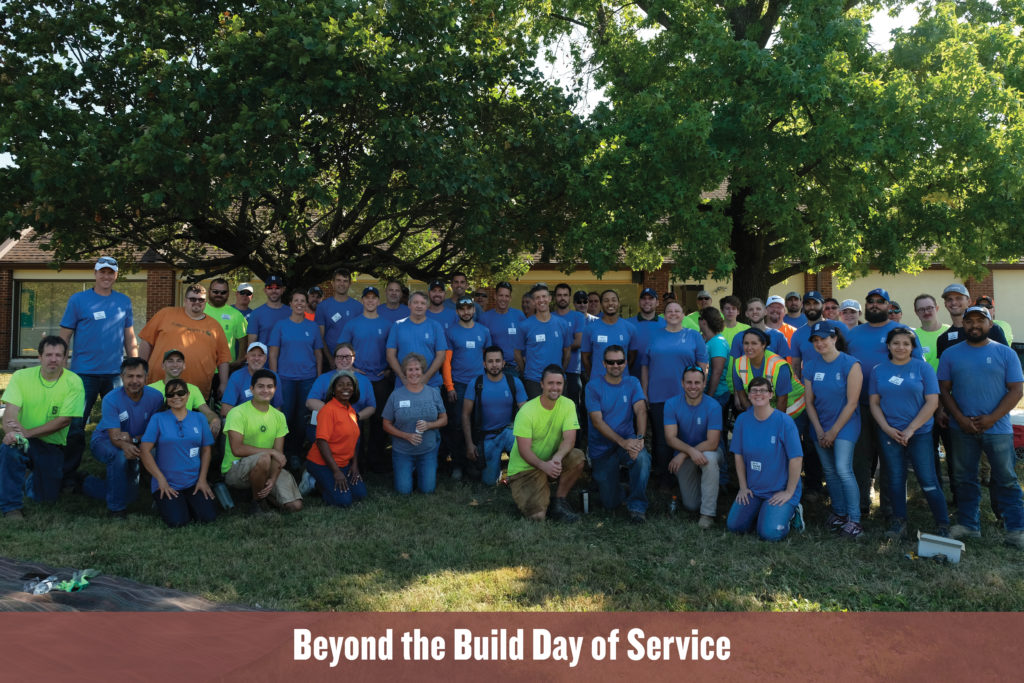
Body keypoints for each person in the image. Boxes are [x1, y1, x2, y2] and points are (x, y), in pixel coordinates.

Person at [938, 306, 1024, 547]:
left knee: (1006, 478)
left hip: (997, 429)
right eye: (969, 321)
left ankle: (1016, 529)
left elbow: (1016, 390)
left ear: (990, 323)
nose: (974, 325)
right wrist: (960, 418)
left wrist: (992, 418)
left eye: (980, 320)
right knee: (965, 478)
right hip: (961, 428)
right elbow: (944, 389)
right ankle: (968, 524)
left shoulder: (1005, 353)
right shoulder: (950, 354)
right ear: (963, 324)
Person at [59, 255, 138, 487]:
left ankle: (121, 470)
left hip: (115, 375)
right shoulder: (78, 300)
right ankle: (68, 476)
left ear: (116, 275)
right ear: (95, 274)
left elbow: (129, 337)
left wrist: (135, 367)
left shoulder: (123, 301)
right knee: (75, 426)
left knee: (121, 424)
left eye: (110, 272)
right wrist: (62, 367)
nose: (106, 276)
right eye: (102, 272)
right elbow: (65, 336)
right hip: (83, 374)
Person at [845, 288, 922, 516]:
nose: (875, 305)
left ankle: (890, 507)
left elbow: (917, 367)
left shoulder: (901, 333)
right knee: (861, 457)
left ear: (889, 306)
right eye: (871, 302)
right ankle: (861, 504)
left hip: (892, 407)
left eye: (880, 302)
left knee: (891, 459)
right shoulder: (853, 333)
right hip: (859, 404)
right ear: (865, 306)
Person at [869, 327, 949, 539]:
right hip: (890, 433)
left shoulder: (923, 369)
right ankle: (898, 522)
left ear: (913, 347)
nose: (901, 347)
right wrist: (887, 429)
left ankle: (942, 523)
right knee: (895, 479)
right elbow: (874, 403)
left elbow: (932, 402)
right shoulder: (878, 370)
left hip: (919, 433)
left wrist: (911, 429)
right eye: (896, 343)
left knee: (927, 478)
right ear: (888, 346)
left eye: (906, 343)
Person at [0, 336, 85, 518]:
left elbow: (64, 420)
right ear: (39, 357)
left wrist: (28, 432)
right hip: (23, 439)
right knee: (10, 449)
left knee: (47, 499)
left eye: (58, 355)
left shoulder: (74, 382)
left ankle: (28, 477)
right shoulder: (21, 377)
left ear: (65, 359)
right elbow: (10, 412)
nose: (53, 359)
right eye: (48, 355)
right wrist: (13, 434)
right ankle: (11, 507)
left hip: (51, 445)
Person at [802, 322, 864, 538]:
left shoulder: (851, 364)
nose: (820, 343)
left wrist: (833, 432)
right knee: (829, 472)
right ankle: (839, 513)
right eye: (815, 340)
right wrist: (819, 430)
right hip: (820, 426)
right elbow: (809, 402)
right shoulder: (810, 366)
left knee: (843, 469)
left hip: (845, 426)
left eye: (824, 338)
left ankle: (854, 519)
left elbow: (852, 403)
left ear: (834, 338)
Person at [82, 358, 164, 519]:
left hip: (136, 442)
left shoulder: (156, 398)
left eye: (139, 376)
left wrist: (133, 441)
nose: (134, 381)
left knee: (131, 495)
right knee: (119, 455)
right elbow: (115, 437)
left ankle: (85, 482)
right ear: (122, 377)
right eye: (129, 376)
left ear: (146, 377)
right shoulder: (111, 399)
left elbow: (155, 431)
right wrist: (127, 444)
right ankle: (116, 509)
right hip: (104, 441)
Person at [726, 376, 804, 541]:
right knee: (734, 526)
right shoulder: (742, 420)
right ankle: (763, 513)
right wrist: (743, 487)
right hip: (754, 490)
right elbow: (738, 455)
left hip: (779, 490)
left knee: (769, 534)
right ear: (748, 395)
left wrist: (789, 492)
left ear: (771, 394)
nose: (758, 394)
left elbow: (796, 459)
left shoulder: (784, 421)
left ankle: (792, 513)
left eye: (763, 390)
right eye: (754, 390)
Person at [506, 365, 585, 521]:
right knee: (537, 517)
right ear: (542, 384)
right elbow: (524, 450)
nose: (555, 388)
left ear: (563, 385)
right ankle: (532, 495)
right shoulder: (527, 411)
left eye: (559, 383)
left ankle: (559, 501)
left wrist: (556, 458)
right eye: (550, 383)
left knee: (577, 457)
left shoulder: (568, 404)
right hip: (525, 469)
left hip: (550, 460)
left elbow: (570, 439)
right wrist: (544, 466)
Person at [641, 301, 709, 483]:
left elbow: (703, 366)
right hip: (658, 395)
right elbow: (645, 367)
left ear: (683, 315)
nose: (673, 314)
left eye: (677, 311)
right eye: (669, 310)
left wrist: (701, 390)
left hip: (687, 396)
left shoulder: (694, 336)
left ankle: (687, 478)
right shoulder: (653, 336)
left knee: (686, 436)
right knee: (661, 439)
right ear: (664, 314)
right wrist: (644, 391)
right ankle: (664, 478)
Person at [222, 369, 303, 515]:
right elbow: (237, 449)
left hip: (268, 467)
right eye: (260, 386)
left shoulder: (279, 416)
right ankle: (257, 503)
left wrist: (273, 478)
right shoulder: (237, 413)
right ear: (252, 389)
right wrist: (270, 452)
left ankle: (261, 492)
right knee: (264, 457)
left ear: (275, 389)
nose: (265, 390)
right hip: (236, 469)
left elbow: (278, 454)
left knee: (295, 506)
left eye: (269, 386)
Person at [586, 346, 651, 523]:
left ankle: (637, 506)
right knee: (610, 503)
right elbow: (597, 422)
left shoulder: (632, 383)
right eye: (611, 362)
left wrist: (639, 439)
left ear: (625, 363)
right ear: (603, 364)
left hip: (628, 442)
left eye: (620, 361)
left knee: (642, 458)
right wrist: (623, 442)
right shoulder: (593, 387)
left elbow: (641, 410)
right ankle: (621, 487)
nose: (616, 365)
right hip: (602, 448)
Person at [139, 379, 216, 527]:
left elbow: (206, 450)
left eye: (180, 393)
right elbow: (144, 451)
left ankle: (182, 503)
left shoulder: (199, 418)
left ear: (187, 395)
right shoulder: (158, 418)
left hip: (193, 482)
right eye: (171, 394)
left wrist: (202, 480)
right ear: (166, 398)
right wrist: (160, 480)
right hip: (168, 483)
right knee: (178, 521)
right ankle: (167, 503)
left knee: (209, 517)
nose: (176, 397)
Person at [139, 284, 231, 400]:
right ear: (185, 301)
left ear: (205, 302)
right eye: (192, 299)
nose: (197, 302)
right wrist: (141, 371)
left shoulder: (215, 326)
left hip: (196, 392)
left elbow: (223, 359)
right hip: (158, 387)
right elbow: (147, 341)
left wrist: (223, 383)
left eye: (201, 300)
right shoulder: (165, 314)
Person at [339, 286, 394, 471]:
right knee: (356, 421)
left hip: (379, 378)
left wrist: (388, 370)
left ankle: (376, 459)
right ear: (362, 300)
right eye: (367, 298)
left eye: (374, 298)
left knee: (379, 421)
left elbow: (393, 350)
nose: (370, 301)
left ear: (379, 301)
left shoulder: (387, 325)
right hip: (358, 378)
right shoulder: (352, 324)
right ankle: (357, 460)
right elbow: (342, 350)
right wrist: (352, 368)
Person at [269, 289, 324, 469]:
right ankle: (280, 453)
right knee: (284, 417)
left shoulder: (312, 327)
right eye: (296, 300)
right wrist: (274, 378)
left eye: (303, 300)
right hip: (285, 379)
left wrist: (318, 377)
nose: (300, 303)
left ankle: (295, 453)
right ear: (290, 304)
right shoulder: (280, 325)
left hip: (307, 379)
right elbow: (273, 354)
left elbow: (318, 355)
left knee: (302, 419)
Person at [441, 297, 493, 480]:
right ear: (457, 312)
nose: (466, 312)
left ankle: (475, 464)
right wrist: (449, 387)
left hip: (479, 385)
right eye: (462, 309)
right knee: (456, 426)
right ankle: (457, 464)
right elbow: (446, 363)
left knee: (478, 424)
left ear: (474, 310)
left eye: (469, 308)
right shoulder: (451, 332)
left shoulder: (484, 331)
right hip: (459, 385)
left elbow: (488, 360)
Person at [664, 366, 722, 529]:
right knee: (691, 505)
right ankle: (699, 493)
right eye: (689, 382)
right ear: (682, 383)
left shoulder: (713, 406)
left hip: (710, 453)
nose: (693, 386)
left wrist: (684, 454)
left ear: (704, 384)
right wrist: (689, 452)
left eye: (697, 382)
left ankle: (707, 514)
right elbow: (670, 438)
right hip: (686, 455)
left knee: (709, 459)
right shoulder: (671, 404)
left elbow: (713, 443)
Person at [381, 353, 448, 494]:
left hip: (427, 451)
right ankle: (407, 472)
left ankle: (421, 473)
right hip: (403, 451)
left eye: (417, 369)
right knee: (403, 491)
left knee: (428, 490)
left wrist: (430, 425)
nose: (414, 373)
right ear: (404, 372)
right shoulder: (396, 395)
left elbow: (444, 419)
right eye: (410, 369)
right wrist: (406, 436)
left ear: (422, 370)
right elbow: (386, 424)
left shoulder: (433, 393)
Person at [462, 346, 527, 486]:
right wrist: (469, 444)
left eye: (498, 361)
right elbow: (465, 415)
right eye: (490, 361)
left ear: (503, 363)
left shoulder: (514, 382)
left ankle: (517, 475)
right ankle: (495, 471)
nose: (494, 365)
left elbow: (526, 413)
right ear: (484, 364)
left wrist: (527, 440)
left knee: (523, 448)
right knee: (488, 483)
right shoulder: (476, 384)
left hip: (509, 431)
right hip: (487, 437)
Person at [307, 371, 367, 508]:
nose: (345, 388)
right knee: (343, 501)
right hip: (322, 463)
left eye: (349, 385)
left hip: (344, 463)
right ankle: (314, 482)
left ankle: (330, 482)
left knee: (360, 494)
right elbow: (322, 442)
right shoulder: (328, 410)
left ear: (354, 389)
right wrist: (336, 472)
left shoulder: (351, 411)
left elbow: (354, 441)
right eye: (340, 385)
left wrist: (354, 465)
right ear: (333, 390)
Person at [147, 349, 223, 438]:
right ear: (163, 366)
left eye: (179, 361)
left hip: (185, 436)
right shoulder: (150, 389)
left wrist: (215, 419)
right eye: (170, 361)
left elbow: (207, 412)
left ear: (184, 366)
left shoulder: (193, 389)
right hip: (158, 436)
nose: (175, 365)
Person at [514, 284, 571, 398]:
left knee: (557, 415)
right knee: (536, 416)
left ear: (550, 298)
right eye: (537, 298)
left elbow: (567, 351)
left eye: (544, 296)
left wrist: (561, 371)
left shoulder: (562, 324)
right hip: (534, 381)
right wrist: (527, 372)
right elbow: (517, 354)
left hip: (557, 380)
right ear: (533, 301)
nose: (541, 300)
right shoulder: (524, 326)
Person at [385, 291, 448, 389]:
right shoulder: (398, 326)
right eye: (416, 302)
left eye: (423, 303)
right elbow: (390, 355)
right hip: (403, 384)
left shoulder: (435, 326)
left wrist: (426, 378)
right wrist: (403, 377)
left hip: (431, 384)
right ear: (409, 305)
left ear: (427, 306)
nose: (419, 306)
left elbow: (441, 356)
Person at [732, 328, 799, 416]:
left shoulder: (779, 366)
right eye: (746, 343)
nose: (749, 347)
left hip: (794, 410)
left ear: (763, 345)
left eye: (754, 343)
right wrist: (755, 417)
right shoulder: (738, 364)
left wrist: (771, 424)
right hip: (767, 410)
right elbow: (742, 397)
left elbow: (782, 402)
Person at [936, 284, 1007, 356]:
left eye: (959, 298)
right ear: (945, 304)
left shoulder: (992, 329)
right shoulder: (943, 339)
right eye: (949, 299)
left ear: (969, 301)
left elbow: (1007, 359)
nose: (954, 302)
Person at [581, 289, 639, 378]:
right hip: (597, 384)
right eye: (606, 300)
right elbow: (585, 358)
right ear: (601, 304)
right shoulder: (590, 328)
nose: (610, 303)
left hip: (622, 383)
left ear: (618, 303)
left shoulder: (630, 328)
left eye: (613, 300)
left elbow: (632, 356)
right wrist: (593, 377)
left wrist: (621, 372)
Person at [220, 342, 284, 415]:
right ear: (247, 357)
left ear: (265, 358)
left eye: (260, 355)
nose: (256, 358)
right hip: (242, 421)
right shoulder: (236, 376)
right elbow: (225, 409)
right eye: (253, 355)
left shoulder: (273, 377)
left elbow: (277, 408)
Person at [480, 281, 527, 376]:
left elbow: (527, 340)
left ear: (510, 298)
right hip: (492, 368)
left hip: (514, 368)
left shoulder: (519, 315)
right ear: (495, 296)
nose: (503, 299)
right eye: (501, 295)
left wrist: (523, 361)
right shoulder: (484, 318)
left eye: (507, 296)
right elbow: (480, 346)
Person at [552, 283, 586, 410]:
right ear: (555, 297)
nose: (562, 298)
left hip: (572, 371)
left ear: (570, 297)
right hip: (552, 370)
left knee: (572, 410)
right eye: (559, 295)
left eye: (565, 295)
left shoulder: (578, 317)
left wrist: (556, 347)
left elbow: (579, 342)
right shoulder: (550, 317)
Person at [316, 269, 364, 358]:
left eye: (345, 281)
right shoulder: (322, 307)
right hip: (329, 360)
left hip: (352, 360)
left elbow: (361, 337)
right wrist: (330, 359)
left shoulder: (358, 307)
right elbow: (320, 337)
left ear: (350, 284)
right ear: (332, 283)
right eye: (338, 280)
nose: (342, 284)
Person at [205, 277, 248, 367]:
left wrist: (239, 361)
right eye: (215, 292)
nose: (219, 294)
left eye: (223, 292)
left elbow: (243, 340)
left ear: (228, 294)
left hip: (226, 368)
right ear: (209, 291)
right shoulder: (199, 310)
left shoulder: (236, 315)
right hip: (201, 366)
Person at [246, 275, 290, 347]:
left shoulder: (291, 312)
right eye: (270, 288)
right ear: (265, 290)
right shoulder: (256, 314)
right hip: (264, 358)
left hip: (286, 358)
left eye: (277, 288)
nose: (273, 291)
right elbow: (252, 345)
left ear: (283, 290)